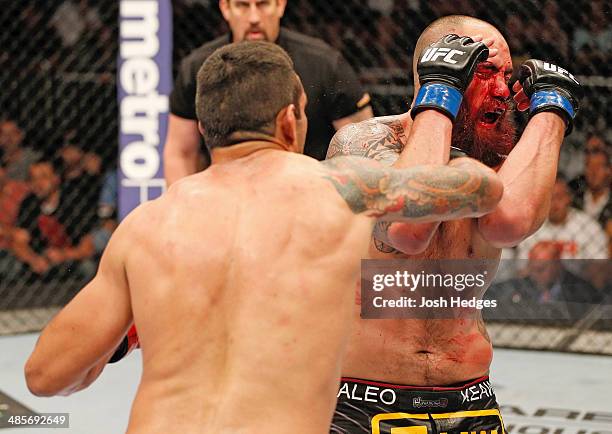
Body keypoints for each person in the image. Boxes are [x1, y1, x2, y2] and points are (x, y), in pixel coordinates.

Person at [24, 41, 503, 434]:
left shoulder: (148, 225)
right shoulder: (342, 190)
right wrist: (438, 101)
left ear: (208, 129)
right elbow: (483, 190)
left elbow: (46, 376)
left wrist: (134, 328)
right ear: (290, 121)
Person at [326, 16, 582, 433]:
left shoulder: (495, 155)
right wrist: (440, 94)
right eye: (484, 72)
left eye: (507, 75)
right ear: (438, 71)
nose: (502, 89)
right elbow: (408, 230)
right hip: (364, 399)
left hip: (470, 401)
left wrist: (551, 112)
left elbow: (511, 222)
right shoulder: (364, 142)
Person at [164, 0, 374, 185]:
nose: (254, 17)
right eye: (242, 5)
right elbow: (180, 152)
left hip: (308, 195)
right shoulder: (198, 68)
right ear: (225, 8)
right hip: (226, 201)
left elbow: (363, 147)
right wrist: (183, 210)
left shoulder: (324, 64)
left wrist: (341, 208)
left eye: (263, 4)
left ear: (280, 5)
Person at [516, 175, 608, 260]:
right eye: (550, 199)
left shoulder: (589, 226)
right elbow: (522, 264)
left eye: (559, 197)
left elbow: (599, 264)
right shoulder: (532, 227)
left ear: (568, 198)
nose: (555, 204)